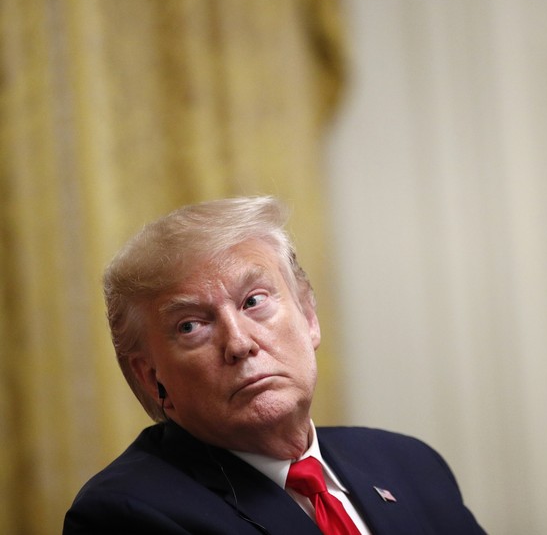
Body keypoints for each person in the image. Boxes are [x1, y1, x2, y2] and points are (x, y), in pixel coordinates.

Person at [63, 196, 485, 534]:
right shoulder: (127, 514)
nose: (239, 343)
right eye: (191, 326)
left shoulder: (409, 463)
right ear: (151, 376)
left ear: (309, 317)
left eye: (254, 301)